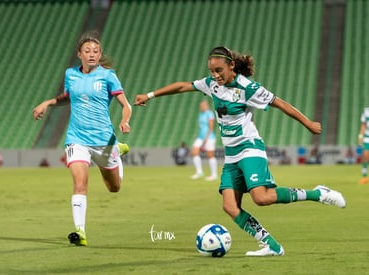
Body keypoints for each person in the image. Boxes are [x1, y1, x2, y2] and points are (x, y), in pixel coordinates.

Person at [135, 46, 346, 256]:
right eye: (212, 71)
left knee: (261, 198)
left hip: (250, 147)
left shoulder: (248, 88)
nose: (215, 75)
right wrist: (150, 95)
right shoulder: (211, 85)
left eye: (219, 70)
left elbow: (280, 103)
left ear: (232, 65)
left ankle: (318, 194)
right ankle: (271, 245)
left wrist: (308, 123)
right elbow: (182, 86)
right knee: (229, 206)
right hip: (231, 155)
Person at [33, 31, 132, 246]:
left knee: (114, 188)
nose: (92, 54)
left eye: (95, 51)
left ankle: (117, 150)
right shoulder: (71, 75)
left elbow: (126, 105)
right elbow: (68, 97)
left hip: (103, 140)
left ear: (100, 54)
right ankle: (80, 232)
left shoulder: (108, 76)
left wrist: (124, 121)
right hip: (77, 139)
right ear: (79, 54)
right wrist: (47, 102)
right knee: (80, 184)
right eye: (87, 51)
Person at [190, 100, 218, 181]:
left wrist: (206, 138)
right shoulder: (200, 114)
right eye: (200, 106)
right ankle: (199, 172)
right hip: (200, 137)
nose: (201, 107)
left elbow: (211, 127)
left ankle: (214, 174)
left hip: (209, 137)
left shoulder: (209, 113)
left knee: (210, 155)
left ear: (206, 106)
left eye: (202, 105)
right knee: (194, 151)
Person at [358, 107, 369, 184]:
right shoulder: (366, 111)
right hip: (367, 137)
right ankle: (364, 177)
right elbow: (363, 125)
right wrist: (360, 136)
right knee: (365, 156)